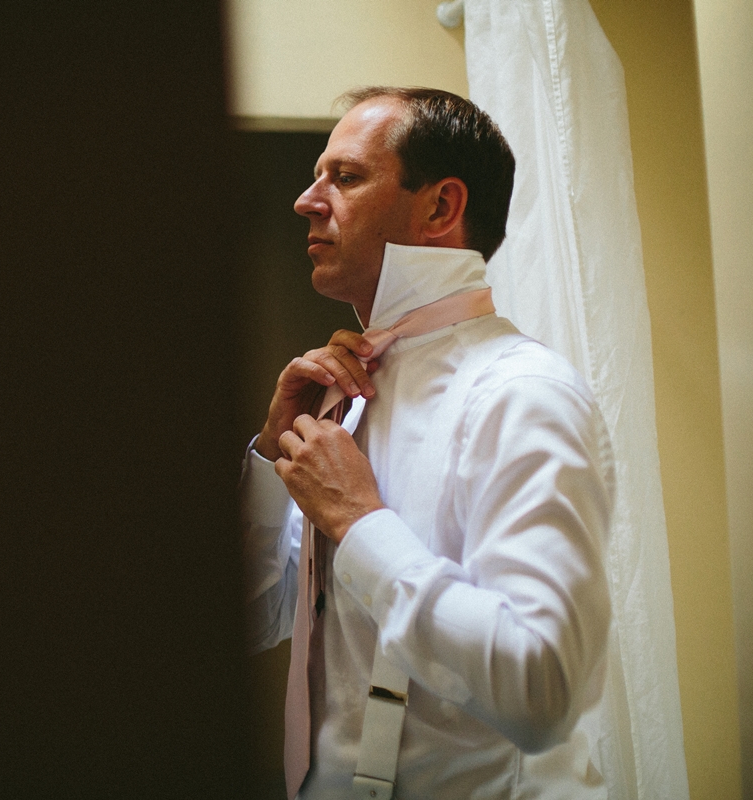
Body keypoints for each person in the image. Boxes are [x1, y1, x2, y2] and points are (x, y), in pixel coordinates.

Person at [241, 87, 614, 799]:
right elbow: (257, 621)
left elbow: (543, 691)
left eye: (344, 177)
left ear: (440, 208)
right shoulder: (342, 397)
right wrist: (269, 456)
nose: (305, 200)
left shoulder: (523, 394)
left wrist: (361, 524)